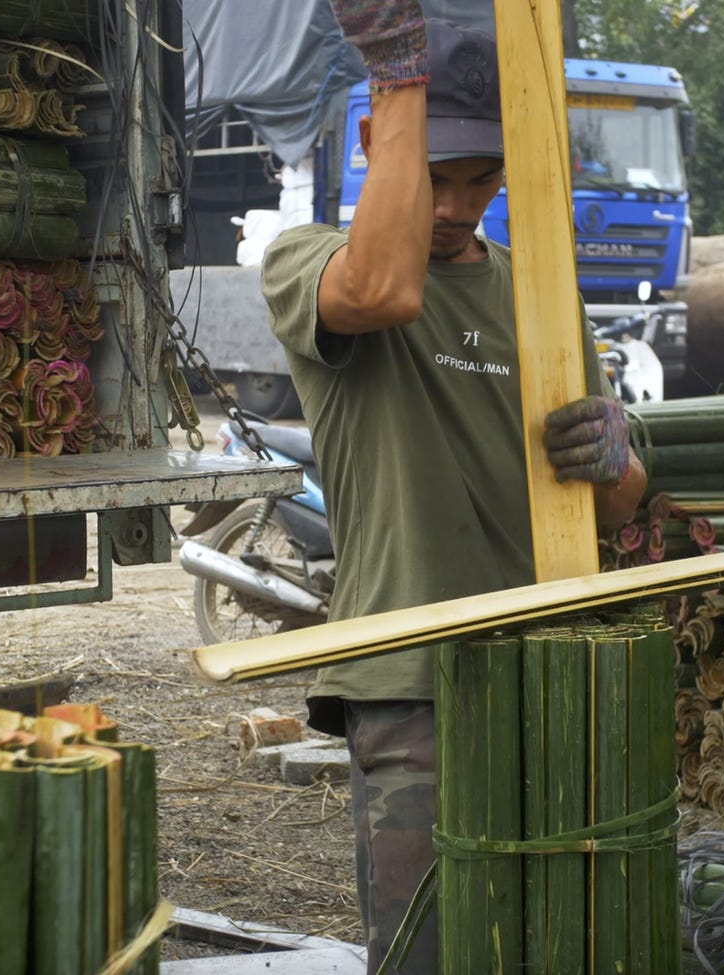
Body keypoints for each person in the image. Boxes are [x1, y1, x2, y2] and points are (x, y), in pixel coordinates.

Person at [260, 4, 647, 971]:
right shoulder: (305, 262)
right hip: (410, 685)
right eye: (434, 175)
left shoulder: (541, 296)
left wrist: (618, 457)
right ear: (372, 141)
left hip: (551, 673)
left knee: (558, 942)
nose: (456, 204)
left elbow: (618, 506)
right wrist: (398, 73)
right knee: (430, 951)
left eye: (482, 179)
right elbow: (383, 291)